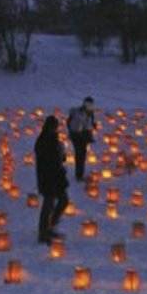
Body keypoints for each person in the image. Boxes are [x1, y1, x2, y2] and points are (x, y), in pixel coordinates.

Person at [35, 115, 69, 244]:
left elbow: (60, 157)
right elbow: (46, 160)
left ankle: (51, 225)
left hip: (58, 177)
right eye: (53, 126)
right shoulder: (42, 141)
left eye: (56, 126)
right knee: (48, 205)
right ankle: (43, 232)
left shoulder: (55, 139)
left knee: (64, 201)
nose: (55, 129)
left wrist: (62, 154)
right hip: (47, 178)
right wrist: (58, 155)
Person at [66, 96, 96, 181]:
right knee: (80, 155)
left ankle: (79, 174)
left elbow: (89, 123)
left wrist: (93, 125)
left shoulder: (90, 113)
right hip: (78, 137)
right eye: (89, 104)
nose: (91, 106)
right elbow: (76, 125)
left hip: (83, 136)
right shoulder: (79, 113)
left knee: (81, 155)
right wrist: (79, 133)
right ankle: (79, 176)